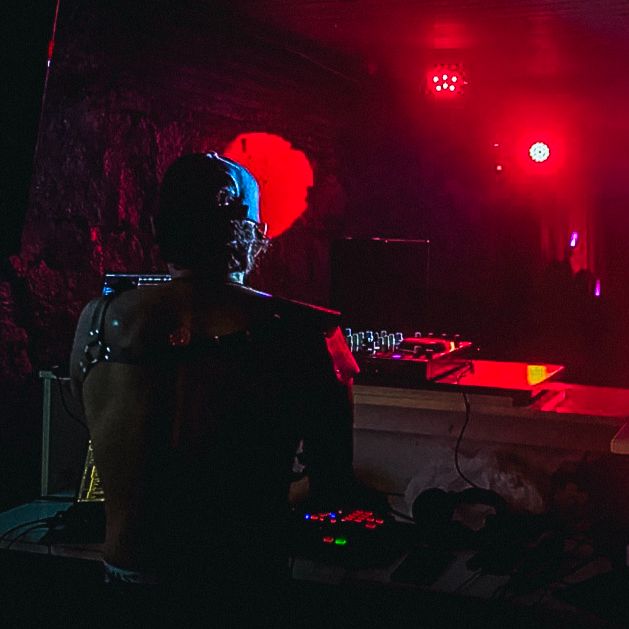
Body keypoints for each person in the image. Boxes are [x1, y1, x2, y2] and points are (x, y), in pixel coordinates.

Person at [69, 153, 359, 610]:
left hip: (124, 587)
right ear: (253, 236)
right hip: (237, 585)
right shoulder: (305, 333)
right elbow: (332, 484)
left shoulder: (97, 320)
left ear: (159, 227)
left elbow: (101, 428)